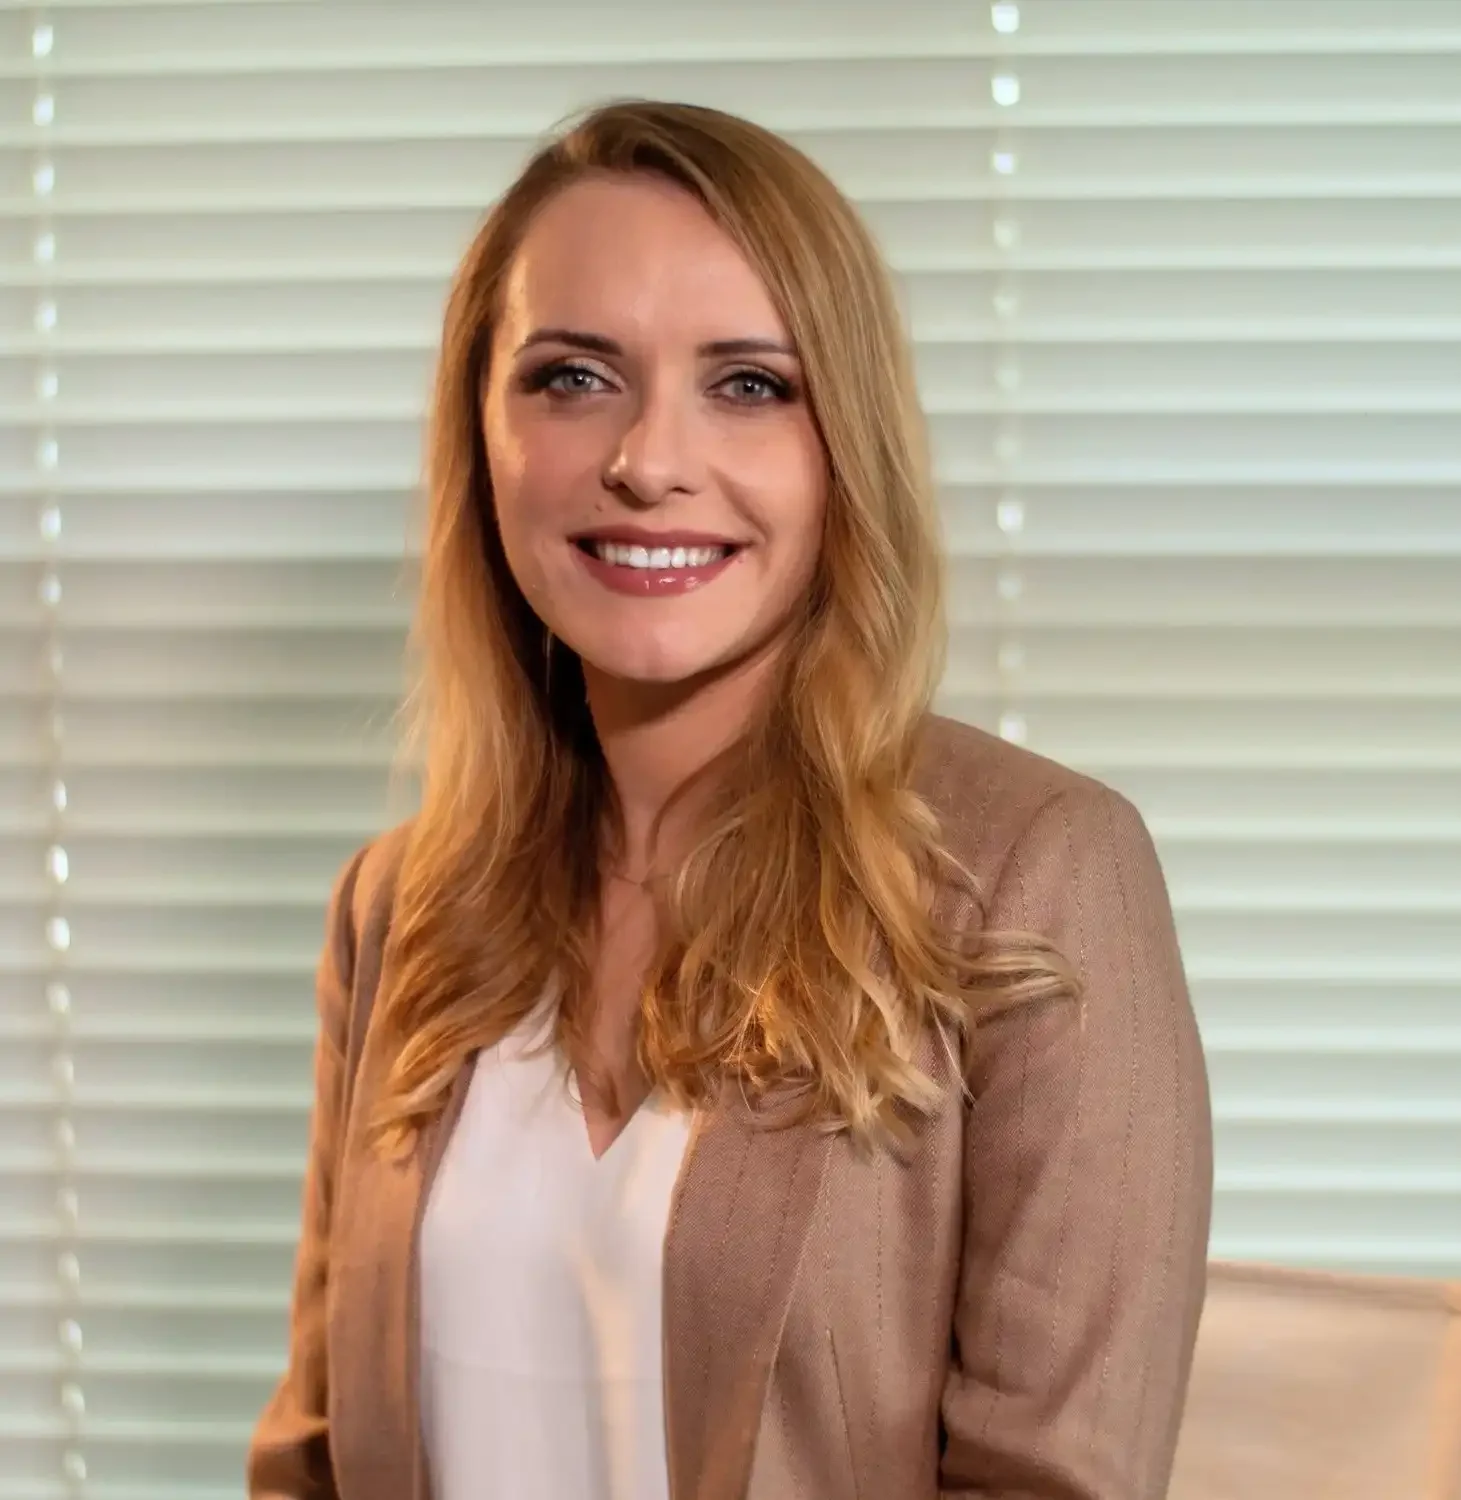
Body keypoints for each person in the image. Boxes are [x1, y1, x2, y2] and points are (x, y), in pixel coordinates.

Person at [248, 99, 1213, 1500]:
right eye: (573, 377)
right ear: (485, 437)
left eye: (749, 383)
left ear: (846, 452)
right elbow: (315, 1464)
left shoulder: (1040, 875)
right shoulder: (397, 907)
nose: (647, 460)